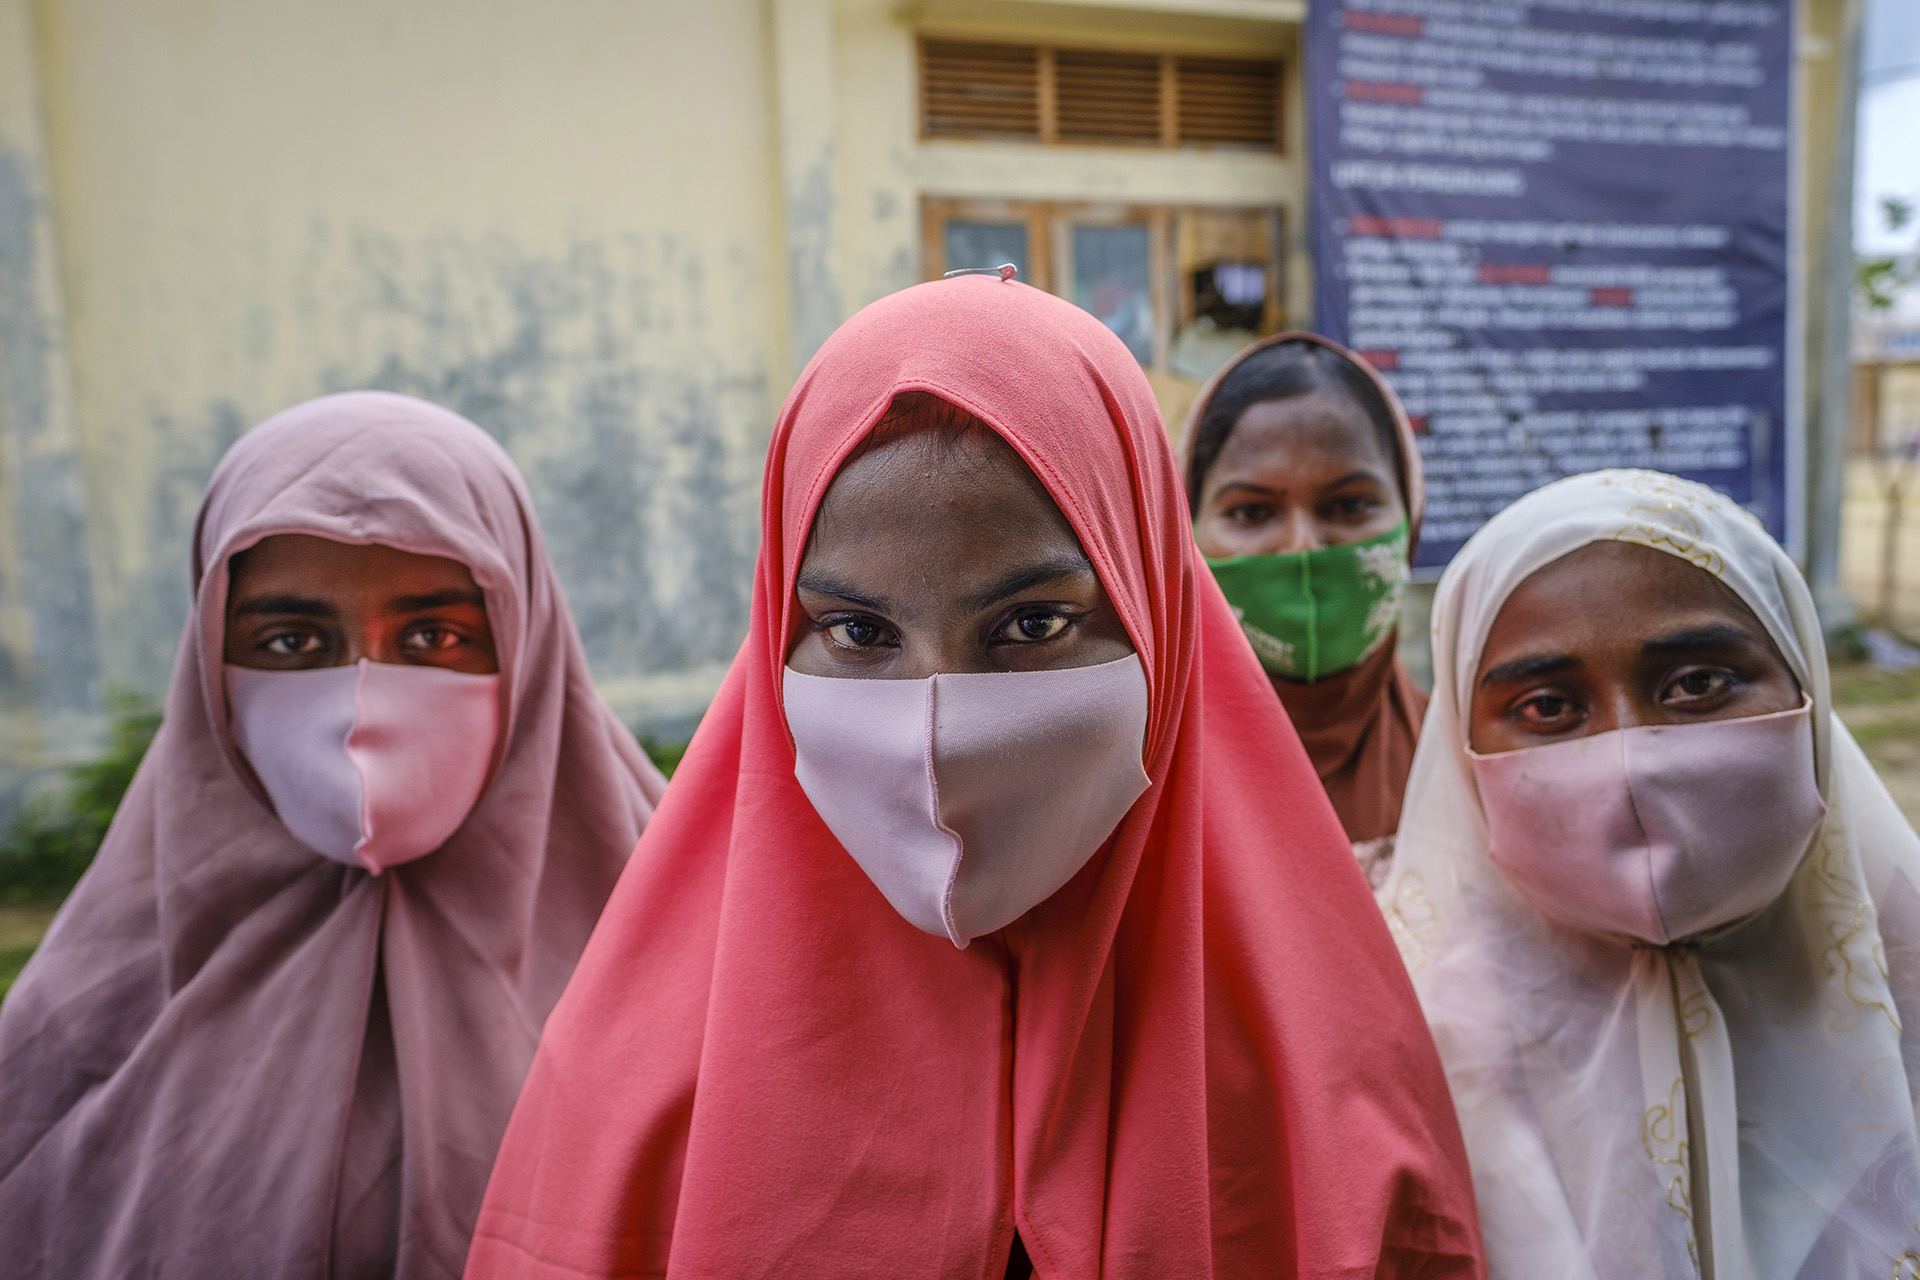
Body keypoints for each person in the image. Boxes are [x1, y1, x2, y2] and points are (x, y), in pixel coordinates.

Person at [461, 276, 1484, 1279]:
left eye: (1032, 624)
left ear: (1156, 617)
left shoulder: (1331, 1070)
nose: (935, 724)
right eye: (858, 630)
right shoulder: (629, 1097)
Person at [0, 392, 667, 1279]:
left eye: (434, 634)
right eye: (289, 642)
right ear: (210, 666)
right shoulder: (89, 1012)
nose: (361, 706)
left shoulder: (686, 958)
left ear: (527, 643)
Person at [1382, 468, 1920, 1277]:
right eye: (1549, 707)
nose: (1630, 764)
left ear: (1806, 687)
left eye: (1697, 685)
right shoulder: (1399, 1069)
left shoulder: (1902, 980)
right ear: (1464, 752)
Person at [1182, 334, 1425, 885]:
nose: (1303, 547)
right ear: (1185, 533)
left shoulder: (1472, 761)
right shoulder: (1136, 785)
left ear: (1410, 518)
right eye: (1251, 512)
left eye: (1349, 505)